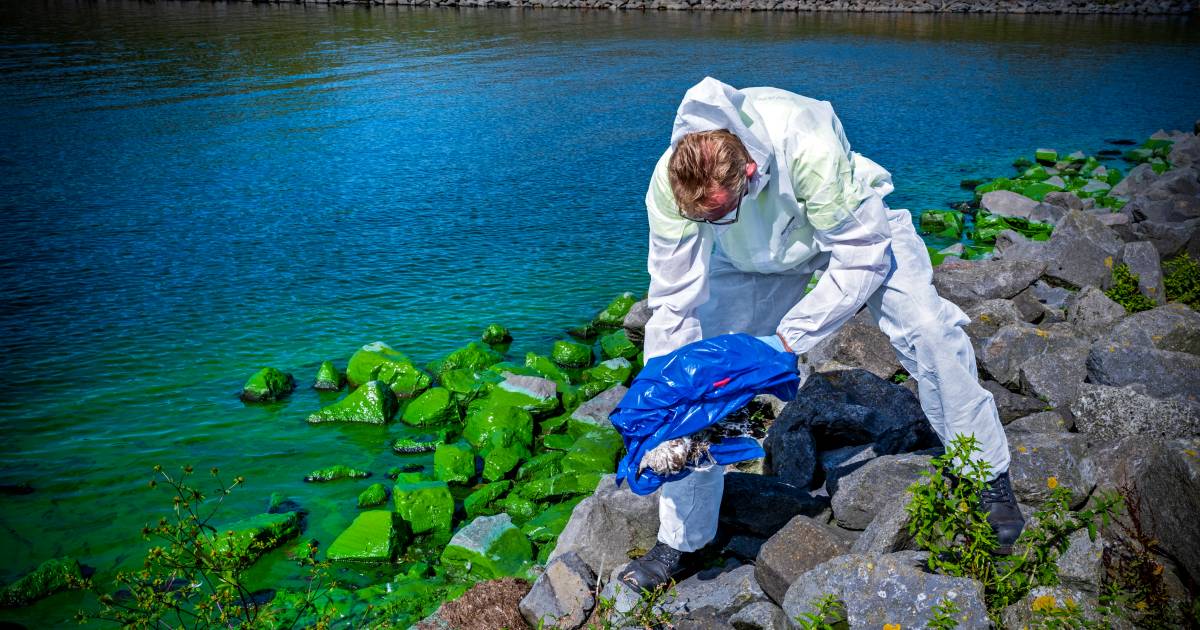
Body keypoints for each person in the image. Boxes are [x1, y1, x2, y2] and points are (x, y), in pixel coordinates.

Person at [620, 77, 1023, 592]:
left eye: (721, 212)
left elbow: (861, 256)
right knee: (689, 383)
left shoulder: (805, 142)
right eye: (704, 218)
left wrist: (786, 341)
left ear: (748, 172)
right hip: (750, 260)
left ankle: (984, 475)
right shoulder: (669, 181)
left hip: (851, 233)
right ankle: (682, 540)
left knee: (930, 332)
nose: (711, 221)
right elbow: (674, 299)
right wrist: (662, 394)